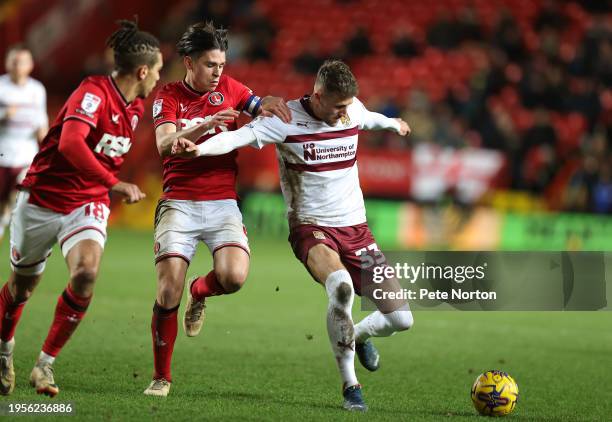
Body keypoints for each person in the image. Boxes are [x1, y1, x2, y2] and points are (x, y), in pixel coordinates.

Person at [172, 60, 414, 411]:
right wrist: (199, 148)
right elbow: (236, 137)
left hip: (356, 229)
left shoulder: (352, 110)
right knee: (341, 288)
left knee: (400, 319)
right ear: (318, 95)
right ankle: (351, 386)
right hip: (311, 226)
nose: (345, 114)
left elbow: (369, 117)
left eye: (349, 106)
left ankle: (357, 335)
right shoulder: (283, 120)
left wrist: (394, 124)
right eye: (338, 107)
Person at [0, 20, 163, 397]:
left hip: (86, 202)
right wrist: (114, 183)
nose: (158, 77)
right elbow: (70, 145)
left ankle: (44, 366)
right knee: (22, 289)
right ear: (142, 71)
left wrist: (102, 187)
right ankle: (5, 348)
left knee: (86, 273)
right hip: (42, 199)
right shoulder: (93, 93)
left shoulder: (136, 106)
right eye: (156, 70)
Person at [144, 21, 290, 397]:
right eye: (211, 65)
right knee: (166, 292)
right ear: (189, 63)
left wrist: (271, 104)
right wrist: (206, 124)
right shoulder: (169, 96)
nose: (218, 73)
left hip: (223, 202)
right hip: (180, 202)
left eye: (222, 65)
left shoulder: (230, 88)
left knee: (234, 278)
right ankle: (162, 377)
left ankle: (201, 291)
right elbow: (164, 144)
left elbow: (258, 105)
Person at [0, 45, 48, 244]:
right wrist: (4, 115)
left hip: (27, 156)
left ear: (30, 65)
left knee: (20, 198)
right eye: (14, 61)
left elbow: (42, 122)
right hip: (3, 156)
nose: (17, 65)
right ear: (6, 63)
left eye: (22, 61)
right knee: (3, 206)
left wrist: (45, 141)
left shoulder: (37, 90)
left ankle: (22, 242)